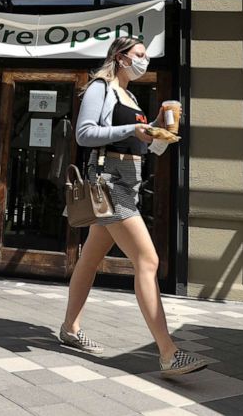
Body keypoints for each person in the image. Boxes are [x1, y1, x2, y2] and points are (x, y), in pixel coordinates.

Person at [60, 36, 208, 377]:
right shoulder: (101, 86)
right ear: (120, 57)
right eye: (139, 54)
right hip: (110, 182)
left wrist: (160, 131)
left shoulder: (131, 95)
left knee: (89, 259)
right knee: (148, 259)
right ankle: (169, 353)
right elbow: (84, 134)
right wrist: (135, 127)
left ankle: (69, 328)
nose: (145, 61)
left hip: (130, 181)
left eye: (147, 55)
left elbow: (141, 143)